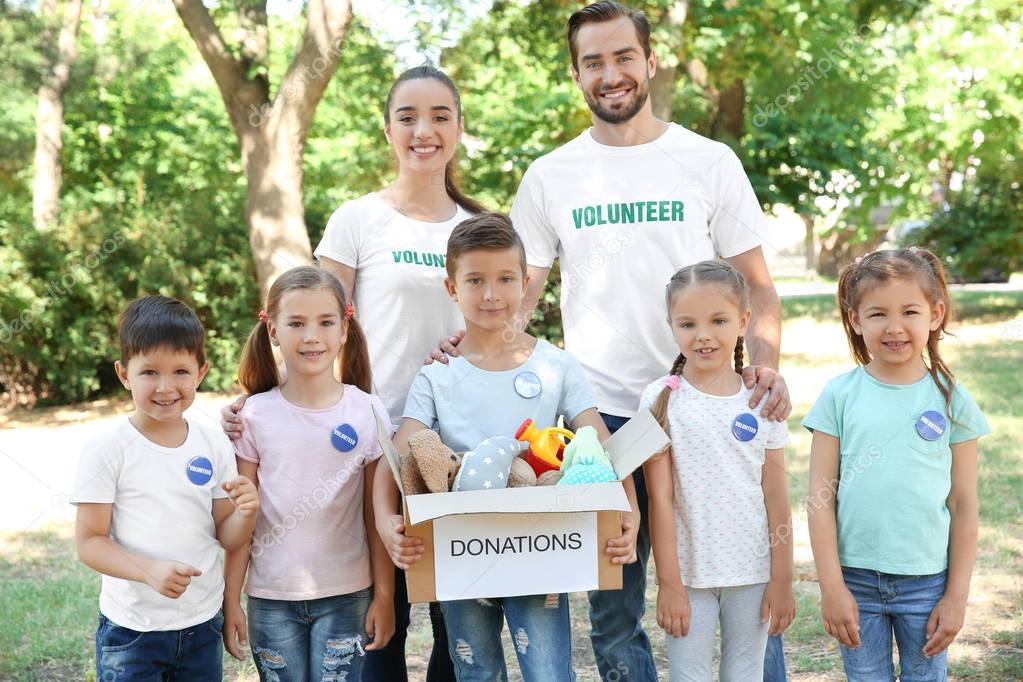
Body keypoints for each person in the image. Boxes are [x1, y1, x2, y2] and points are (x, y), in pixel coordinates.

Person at [431, 3, 792, 678]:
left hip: (707, 407)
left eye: (623, 56)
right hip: (602, 420)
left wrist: (763, 370)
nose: (610, 73)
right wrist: (467, 348)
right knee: (614, 605)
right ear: (575, 74)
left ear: (649, 61)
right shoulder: (549, 175)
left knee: (746, 580)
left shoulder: (708, 161)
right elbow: (519, 294)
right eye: (592, 61)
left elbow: (758, 287)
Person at [222, 65, 486, 681]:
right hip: (367, 446)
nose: (424, 131)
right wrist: (253, 400)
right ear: (387, 129)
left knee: (457, 627)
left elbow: (496, 325)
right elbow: (314, 321)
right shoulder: (357, 219)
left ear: (459, 128)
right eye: (408, 117)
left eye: (440, 116)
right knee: (376, 625)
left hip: (453, 449)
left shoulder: (474, 228)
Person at [375, 212, 640, 681]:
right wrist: (385, 519)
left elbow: (600, 442)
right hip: (463, 553)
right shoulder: (437, 374)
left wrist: (629, 510)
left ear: (525, 283)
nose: (491, 294)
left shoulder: (557, 365)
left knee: (549, 673)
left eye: (504, 279)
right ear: (452, 288)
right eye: (475, 280)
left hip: (540, 548)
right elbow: (396, 457)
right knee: (476, 673)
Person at [805, 248, 989, 680]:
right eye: (877, 314)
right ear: (854, 319)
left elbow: (964, 504)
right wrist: (832, 587)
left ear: (936, 313)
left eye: (909, 311)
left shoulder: (952, 400)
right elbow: (818, 500)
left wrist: (956, 596)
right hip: (856, 583)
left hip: (927, 584)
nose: (894, 327)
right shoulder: (838, 396)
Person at [72, 295, 259, 681]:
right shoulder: (106, 448)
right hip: (133, 632)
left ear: (201, 372)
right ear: (124, 374)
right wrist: (148, 571)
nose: (165, 386)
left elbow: (228, 535)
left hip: (202, 624)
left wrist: (246, 512)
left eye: (180, 371)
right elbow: (89, 541)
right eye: (149, 372)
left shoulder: (214, 443)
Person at [222, 266, 394, 681]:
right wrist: (230, 601)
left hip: (347, 595)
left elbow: (377, 515)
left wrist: (385, 595)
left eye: (325, 322)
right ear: (273, 330)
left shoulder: (367, 411)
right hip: (270, 598)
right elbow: (242, 517)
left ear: (344, 329)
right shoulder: (254, 415)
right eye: (296, 323)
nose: (311, 335)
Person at [642, 261, 796, 680]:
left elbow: (777, 496)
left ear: (744, 321)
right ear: (671, 324)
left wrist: (783, 576)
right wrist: (668, 584)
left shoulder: (761, 399)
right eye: (688, 323)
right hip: (690, 578)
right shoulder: (660, 399)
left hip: (753, 573)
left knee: (744, 673)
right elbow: (661, 498)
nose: (703, 335)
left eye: (719, 320)